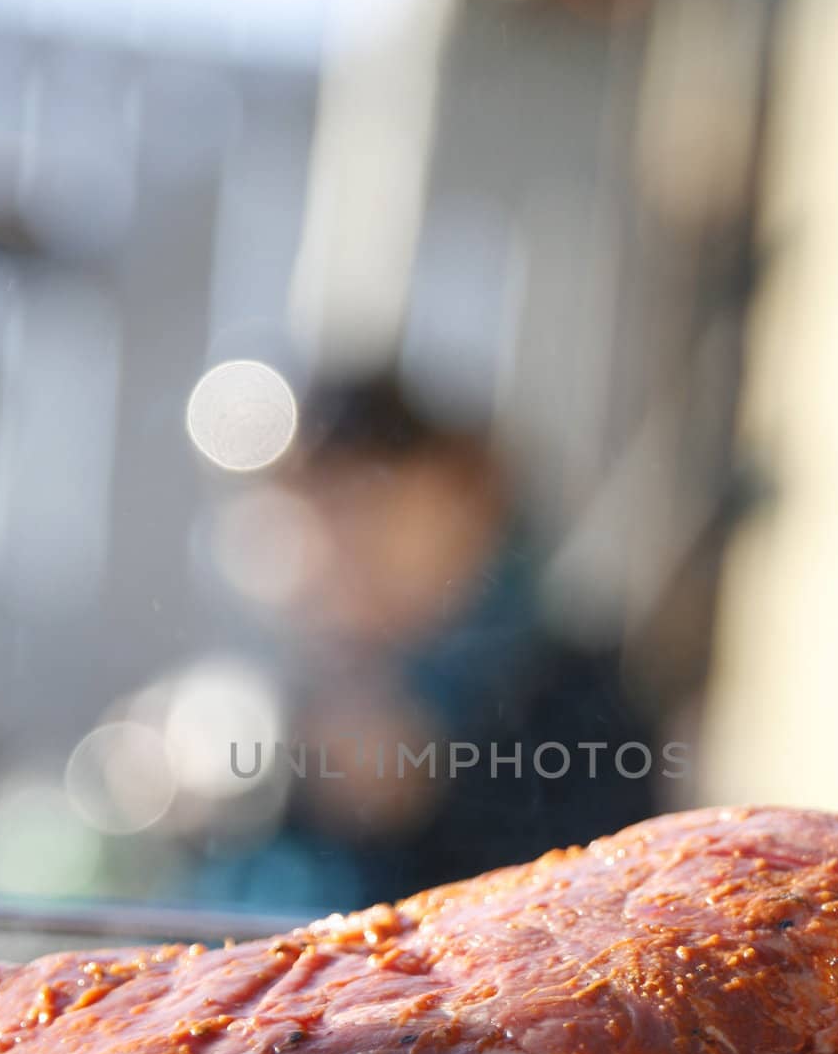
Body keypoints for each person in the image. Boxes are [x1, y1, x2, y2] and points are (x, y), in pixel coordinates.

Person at [185, 374, 664, 913]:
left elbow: (596, 913)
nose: (328, 546)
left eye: (362, 500)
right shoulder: (288, 694)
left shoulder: (566, 697)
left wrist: (426, 797)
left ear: (460, 493)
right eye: (305, 511)